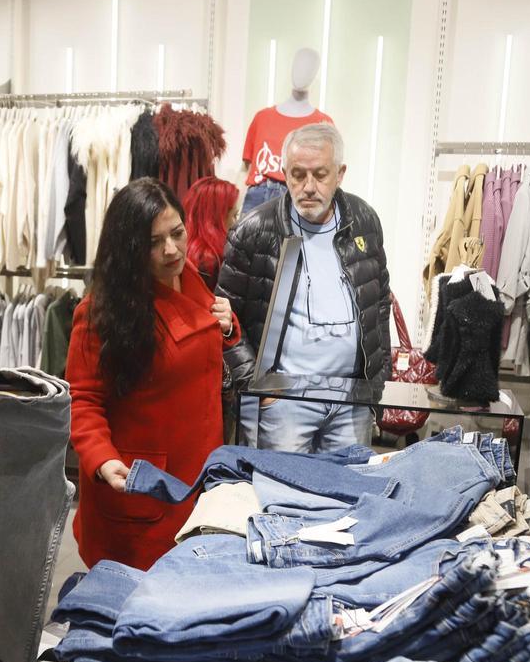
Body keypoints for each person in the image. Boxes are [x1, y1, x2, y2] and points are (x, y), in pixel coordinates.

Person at [66, 177, 241, 571]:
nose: (171, 249)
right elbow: (84, 399)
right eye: (153, 242)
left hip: (198, 476)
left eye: (177, 233)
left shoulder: (190, 278)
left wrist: (228, 328)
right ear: (129, 248)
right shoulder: (101, 313)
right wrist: (100, 458)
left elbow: (198, 356)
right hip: (142, 489)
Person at [217, 122, 391, 453]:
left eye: (320, 174)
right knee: (284, 497)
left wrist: (375, 384)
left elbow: (379, 302)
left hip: (351, 397)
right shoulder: (255, 231)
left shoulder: (365, 221)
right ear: (284, 172)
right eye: (298, 174)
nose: (308, 186)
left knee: (347, 495)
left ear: (340, 173)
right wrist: (257, 387)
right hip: (283, 401)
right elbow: (225, 319)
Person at [183, 176, 240, 291]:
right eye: (235, 215)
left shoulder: (185, 248)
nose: (238, 222)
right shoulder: (211, 262)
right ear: (218, 218)